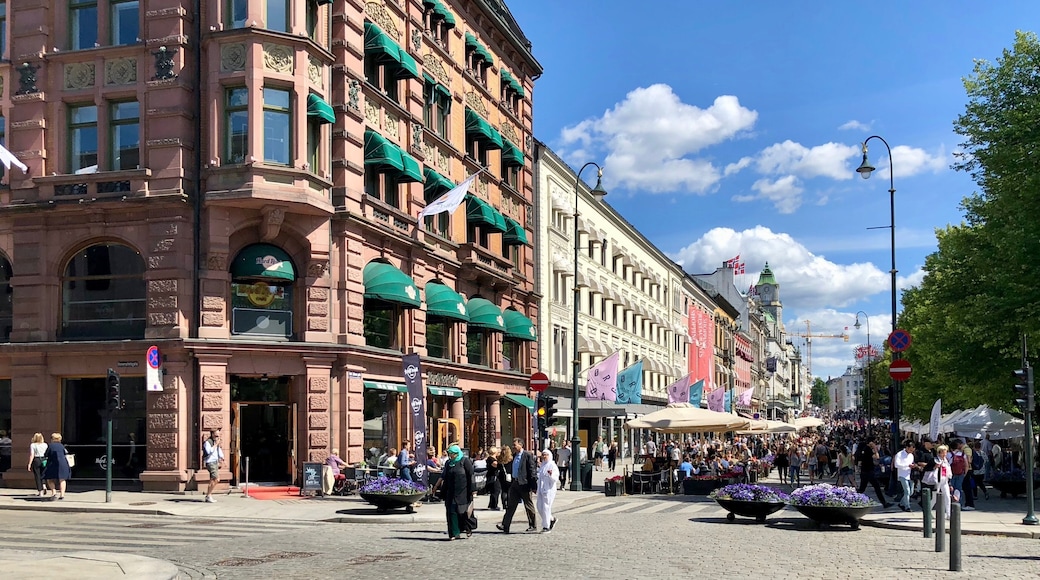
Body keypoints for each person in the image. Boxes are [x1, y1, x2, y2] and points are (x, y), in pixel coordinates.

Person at [496, 438, 538, 534]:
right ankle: (505, 525)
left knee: (528, 505)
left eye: (515, 445)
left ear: (521, 445)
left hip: (524, 483)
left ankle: (533, 525)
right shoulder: (514, 456)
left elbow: (532, 470)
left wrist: (533, 485)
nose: (513, 447)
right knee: (511, 505)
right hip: (515, 483)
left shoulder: (527, 455)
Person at [436, 444, 475, 541]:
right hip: (451, 491)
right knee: (451, 511)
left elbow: (471, 475)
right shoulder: (448, 463)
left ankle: (467, 528)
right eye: (449, 454)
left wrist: (473, 489)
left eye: (452, 454)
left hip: (463, 491)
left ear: (457, 453)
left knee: (463, 512)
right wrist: (438, 487)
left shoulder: (465, 461)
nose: (450, 456)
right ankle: (454, 533)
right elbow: (444, 476)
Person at [855, 438, 893, 508]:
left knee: (862, 489)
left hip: (865, 471)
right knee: (875, 488)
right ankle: (884, 503)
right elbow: (877, 457)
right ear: (870, 443)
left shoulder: (864, 448)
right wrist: (875, 449)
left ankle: (884, 503)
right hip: (869, 472)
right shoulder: (868, 449)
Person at [43, 433, 71, 500]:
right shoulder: (62, 446)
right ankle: (62, 495)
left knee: (49, 478)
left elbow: (46, 454)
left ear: (52, 439)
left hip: (52, 464)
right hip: (63, 464)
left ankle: (54, 492)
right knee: (62, 479)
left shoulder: (50, 446)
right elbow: (65, 453)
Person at [536, 449, 559, 533]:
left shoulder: (552, 465)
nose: (544, 456)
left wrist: (551, 475)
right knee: (539, 507)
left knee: (546, 507)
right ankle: (551, 519)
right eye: (543, 455)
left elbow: (555, 478)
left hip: (549, 489)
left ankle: (546, 526)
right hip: (541, 489)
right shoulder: (542, 465)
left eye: (546, 455)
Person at [202, 429, 225, 503]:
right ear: (212, 434)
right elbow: (209, 451)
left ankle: (208, 495)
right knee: (215, 478)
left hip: (215, 462)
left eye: (218, 435)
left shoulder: (216, 442)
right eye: (216, 435)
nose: (217, 437)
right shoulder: (208, 442)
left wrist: (222, 457)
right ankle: (208, 495)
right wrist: (215, 444)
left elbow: (218, 450)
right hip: (210, 462)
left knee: (215, 479)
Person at [894, 440, 916, 512]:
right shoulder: (899, 454)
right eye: (910, 449)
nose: (911, 451)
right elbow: (896, 465)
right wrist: (907, 465)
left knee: (911, 492)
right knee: (907, 491)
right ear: (906, 447)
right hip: (902, 475)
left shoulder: (911, 455)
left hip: (910, 475)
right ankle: (907, 506)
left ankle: (901, 503)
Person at [26, 432, 48, 497]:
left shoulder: (33, 445)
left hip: (36, 460)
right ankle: (44, 485)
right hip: (44, 460)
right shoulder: (45, 444)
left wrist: (29, 463)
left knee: (37, 476)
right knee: (43, 474)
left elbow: (32, 455)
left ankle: (40, 491)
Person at [934, 444, 953, 516]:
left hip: (945, 480)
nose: (945, 454)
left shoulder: (946, 461)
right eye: (943, 452)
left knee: (947, 496)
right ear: (939, 452)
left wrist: (949, 482)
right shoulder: (936, 460)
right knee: (934, 497)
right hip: (937, 480)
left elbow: (948, 471)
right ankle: (928, 510)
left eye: (945, 452)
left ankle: (948, 513)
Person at [485, 446, 502, 511]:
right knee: (495, 491)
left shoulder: (493, 458)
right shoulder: (491, 459)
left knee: (494, 491)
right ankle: (494, 505)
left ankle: (491, 504)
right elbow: (496, 465)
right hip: (493, 477)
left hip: (494, 476)